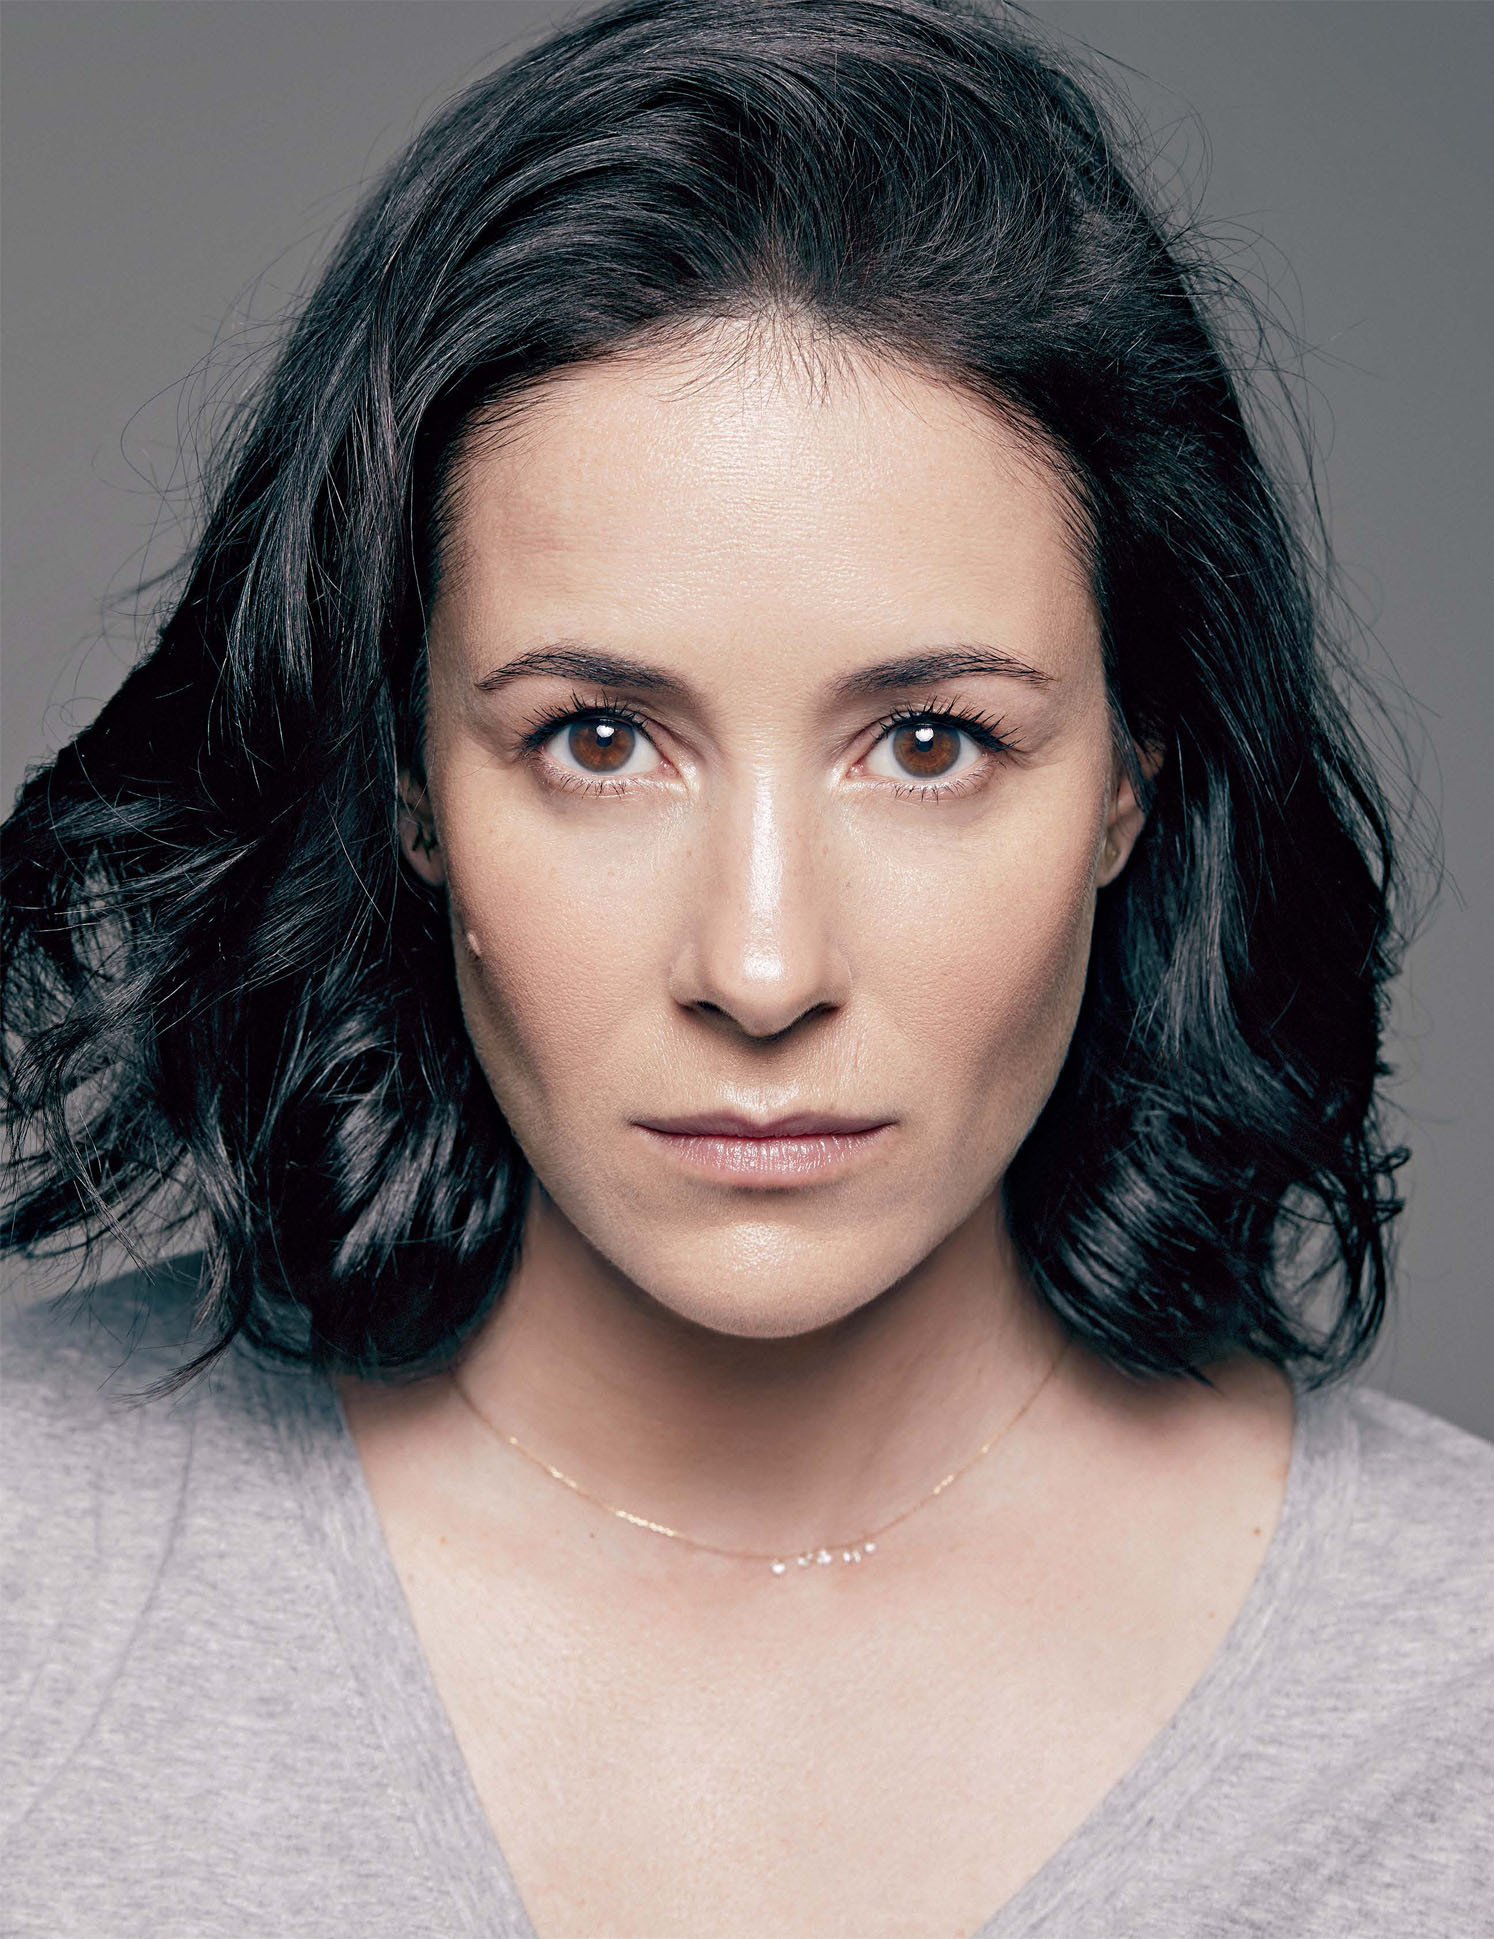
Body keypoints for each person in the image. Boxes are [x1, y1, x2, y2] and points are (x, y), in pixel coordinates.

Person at [2, 0, 1488, 1933]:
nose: (763, 967)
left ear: (1134, 774)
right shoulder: (35, 1570)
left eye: (930, 743)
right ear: (409, 784)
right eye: (597, 740)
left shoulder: (1454, 1696)